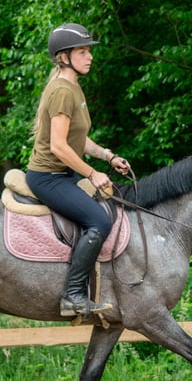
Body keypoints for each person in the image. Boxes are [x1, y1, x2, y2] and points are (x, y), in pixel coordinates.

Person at [26, 22, 131, 317]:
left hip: (64, 175)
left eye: (88, 51)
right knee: (99, 220)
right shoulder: (61, 91)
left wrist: (107, 156)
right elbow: (59, 146)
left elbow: (78, 138)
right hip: (48, 178)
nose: (90, 57)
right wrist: (92, 173)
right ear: (64, 57)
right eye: (83, 51)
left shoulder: (73, 87)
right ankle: (72, 295)